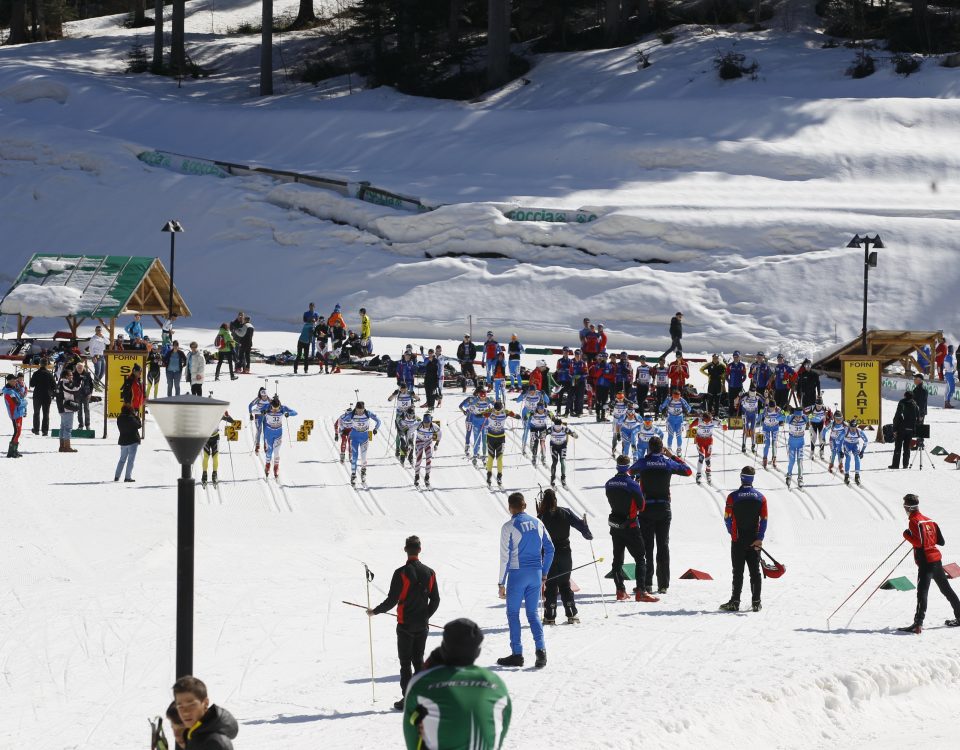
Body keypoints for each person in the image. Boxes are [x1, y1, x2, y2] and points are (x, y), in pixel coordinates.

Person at [403, 618, 511, 750]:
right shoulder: (495, 682)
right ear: (477, 651)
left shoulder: (422, 682)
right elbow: (503, 725)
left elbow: (411, 731)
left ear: (444, 646)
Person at [368, 535, 440, 710]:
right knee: (418, 661)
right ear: (419, 549)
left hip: (405, 625)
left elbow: (392, 600)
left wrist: (375, 611)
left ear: (406, 550)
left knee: (405, 663)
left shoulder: (400, 572)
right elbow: (436, 600)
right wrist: (425, 616)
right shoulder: (430, 572)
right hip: (422, 626)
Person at [497, 492, 554, 668]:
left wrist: (501, 583)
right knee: (533, 614)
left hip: (517, 574)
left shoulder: (509, 526)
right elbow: (550, 549)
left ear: (510, 507)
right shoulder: (538, 522)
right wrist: (544, 573)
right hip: (536, 574)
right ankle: (541, 652)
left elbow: (504, 557)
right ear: (525, 505)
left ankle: (517, 654)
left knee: (513, 614)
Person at [629, 435, 692, 594]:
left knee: (647, 547)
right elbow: (688, 471)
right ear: (662, 448)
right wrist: (671, 456)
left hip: (646, 509)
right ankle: (663, 584)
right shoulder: (667, 462)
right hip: (664, 508)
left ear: (649, 448)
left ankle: (647, 583)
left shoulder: (643, 462)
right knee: (663, 546)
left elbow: (629, 472)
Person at [898, 494, 960, 633]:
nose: (904, 509)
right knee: (947, 591)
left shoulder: (914, 521)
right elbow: (941, 541)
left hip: (926, 563)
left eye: (904, 506)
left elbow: (919, 543)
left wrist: (907, 535)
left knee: (922, 593)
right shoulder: (929, 520)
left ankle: (917, 624)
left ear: (908, 507)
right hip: (936, 561)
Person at [605, 455, 658, 602]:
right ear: (629, 467)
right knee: (641, 558)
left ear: (617, 466)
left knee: (617, 559)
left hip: (616, 525)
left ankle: (620, 590)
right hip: (631, 526)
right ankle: (641, 591)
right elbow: (641, 506)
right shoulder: (632, 484)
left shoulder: (609, 483)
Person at [537, 488, 592, 625]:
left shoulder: (541, 516)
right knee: (564, 583)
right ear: (555, 499)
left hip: (548, 555)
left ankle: (550, 616)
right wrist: (587, 534)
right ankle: (572, 614)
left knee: (550, 585)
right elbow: (580, 525)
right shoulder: (565, 511)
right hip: (565, 552)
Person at [720, 466, 767, 613]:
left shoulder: (732, 497)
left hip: (738, 539)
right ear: (752, 478)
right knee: (755, 572)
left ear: (741, 477)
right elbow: (764, 520)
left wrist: (732, 533)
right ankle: (756, 602)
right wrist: (759, 538)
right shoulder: (761, 497)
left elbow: (727, 518)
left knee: (738, 571)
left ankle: (735, 601)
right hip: (754, 541)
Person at [171, 676, 238, 750]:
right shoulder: (195, 734)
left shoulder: (213, 743)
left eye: (191, 705)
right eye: (180, 707)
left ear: (205, 703)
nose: (185, 712)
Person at [257, 396, 297, 479]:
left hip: (278, 434)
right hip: (268, 434)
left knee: (276, 451)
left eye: (277, 408)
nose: (275, 410)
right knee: (269, 451)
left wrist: (288, 414)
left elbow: (295, 412)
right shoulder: (267, 407)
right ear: (271, 405)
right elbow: (255, 410)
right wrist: (262, 411)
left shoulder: (282, 408)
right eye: (273, 408)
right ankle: (267, 465)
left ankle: (276, 467)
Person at [482, 400, 519, 489]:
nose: (497, 412)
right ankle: (489, 476)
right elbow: (481, 414)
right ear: (494, 408)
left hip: (500, 438)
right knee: (490, 457)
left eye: (499, 411)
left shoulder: (504, 412)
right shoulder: (491, 411)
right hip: (491, 437)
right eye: (496, 410)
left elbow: (514, 415)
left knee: (499, 458)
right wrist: (482, 414)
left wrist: (518, 416)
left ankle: (499, 477)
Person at [348, 401, 381, 486]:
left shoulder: (367, 413)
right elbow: (341, 420)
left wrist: (375, 429)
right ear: (355, 409)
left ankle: (363, 473)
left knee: (363, 458)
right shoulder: (352, 414)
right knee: (354, 458)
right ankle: (353, 475)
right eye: (358, 410)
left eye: (361, 410)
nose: (359, 412)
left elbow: (378, 421)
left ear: (364, 409)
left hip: (365, 438)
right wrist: (342, 430)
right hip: (354, 438)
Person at [201, 412, 234, 488]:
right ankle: (205, 475)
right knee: (208, 456)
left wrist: (227, 415)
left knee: (213, 456)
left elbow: (231, 421)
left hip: (214, 438)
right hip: (207, 437)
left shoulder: (217, 414)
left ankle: (213, 475)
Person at [891, 391, 919, 469]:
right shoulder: (915, 404)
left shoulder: (902, 402)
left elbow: (897, 416)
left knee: (898, 447)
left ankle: (895, 465)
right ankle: (905, 464)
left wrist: (894, 429)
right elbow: (918, 417)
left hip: (901, 428)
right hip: (910, 429)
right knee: (907, 448)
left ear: (904, 396)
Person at [412, 413, 441, 488]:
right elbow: (409, 431)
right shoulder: (418, 425)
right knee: (418, 460)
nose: (426, 425)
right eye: (425, 423)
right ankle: (417, 476)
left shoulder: (434, 426)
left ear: (430, 422)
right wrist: (409, 442)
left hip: (428, 442)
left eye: (428, 423)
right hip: (419, 441)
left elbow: (440, 434)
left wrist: (437, 444)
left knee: (429, 460)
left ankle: (427, 477)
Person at [56, 364, 80, 453]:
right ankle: (67, 446)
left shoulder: (60, 382)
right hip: (67, 408)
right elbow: (74, 389)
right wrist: (80, 384)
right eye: (70, 375)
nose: (72, 377)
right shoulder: (65, 383)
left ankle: (62, 446)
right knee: (68, 428)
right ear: (66, 376)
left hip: (62, 407)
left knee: (62, 427)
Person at [114, 403, 141, 482]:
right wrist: (136, 416)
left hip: (123, 440)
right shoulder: (131, 418)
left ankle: (117, 476)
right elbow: (139, 425)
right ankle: (127, 477)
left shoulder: (119, 418)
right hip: (132, 440)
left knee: (122, 460)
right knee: (130, 460)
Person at [29, 357, 56, 436]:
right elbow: (54, 386)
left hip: (37, 395)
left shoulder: (36, 373)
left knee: (36, 413)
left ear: (40, 364)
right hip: (47, 396)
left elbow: (32, 384)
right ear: (47, 364)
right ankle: (45, 431)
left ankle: (36, 430)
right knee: (46, 413)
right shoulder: (50, 374)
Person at [660, 388, 691, 454]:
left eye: (677, 397)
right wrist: (661, 409)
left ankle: (679, 449)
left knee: (679, 435)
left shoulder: (682, 400)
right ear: (672, 395)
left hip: (679, 420)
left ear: (680, 396)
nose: (676, 399)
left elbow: (688, 407)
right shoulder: (669, 399)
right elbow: (663, 405)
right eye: (674, 397)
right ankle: (669, 448)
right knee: (670, 435)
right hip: (671, 420)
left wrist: (687, 412)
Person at [783, 406, 808, 487]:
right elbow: (780, 418)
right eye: (797, 416)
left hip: (800, 443)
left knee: (800, 461)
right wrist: (784, 414)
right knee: (792, 461)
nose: (798, 418)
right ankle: (789, 476)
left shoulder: (804, 418)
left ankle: (800, 478)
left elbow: (814, 418)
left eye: (799, 416)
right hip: (792, 444)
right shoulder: (790, 418)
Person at [690, 411, 717, 484]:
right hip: (700, 440)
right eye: (706, 422)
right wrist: (690, 425)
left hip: (709, 441)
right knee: (701, 457)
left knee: (708, 460)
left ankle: (708, 472)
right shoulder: (699, 421)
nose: (707, 423)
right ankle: (698, 474)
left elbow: (723, 426)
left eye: (709, 421)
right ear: (703, 419)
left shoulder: (713, 421)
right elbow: (689, 425)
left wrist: (724, 426)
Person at [3, 374, 26, 458]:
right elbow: (18, 402)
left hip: (19, 412)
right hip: (15, 414)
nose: (15, 381)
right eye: (13, 380)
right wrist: (25, 403)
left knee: (18, 432)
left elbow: (22, 395)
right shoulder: (9, 391)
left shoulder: (14, 388)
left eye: (15, 380)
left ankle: (14, 450)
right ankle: (11, 452)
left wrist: (22, 387)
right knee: (16, 432)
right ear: (8, 381)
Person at [841, 418, 868, 486]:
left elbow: (866, 440)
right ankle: (846, 475)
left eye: (854, 428)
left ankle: (857, 475)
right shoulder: (845, 431)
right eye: (851, 428)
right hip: (847, 444)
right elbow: (839, 440)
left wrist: (862, 451)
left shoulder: (859, 431)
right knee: (848, 457)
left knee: (857, 457)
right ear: (849, 426)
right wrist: (840, 451)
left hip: (855, 445)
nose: (853, 429)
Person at [759, 398, 783, 469]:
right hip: (766, 428)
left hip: (775, 427)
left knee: (774, 443)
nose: (772, 409)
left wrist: (784, 414)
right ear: (768, 406)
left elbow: (784, 416)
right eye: (771, 408)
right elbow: (759, 418)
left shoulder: (778, 410)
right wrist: (760, 415)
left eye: (773, 408)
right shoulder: (765, 410)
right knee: (767, 443)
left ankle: (774, 458)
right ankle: (765, 459)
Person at [736, 383, 761, 453]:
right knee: (746, 430)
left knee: (753, 430)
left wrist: (767, 397)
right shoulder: (745, 395)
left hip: (753, 414)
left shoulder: (758, 395)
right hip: (746, 414)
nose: (752, 395)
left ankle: (753, 445)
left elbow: (765, 401)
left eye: (754, 393)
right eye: (751, 393)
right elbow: (736, 402)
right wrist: (739, 396)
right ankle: (743, 445)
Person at [944, 344, 955, 408]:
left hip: (947, 373)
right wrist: (953, 370)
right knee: (952, 389)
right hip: (950, 374)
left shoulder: (946, 356)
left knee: (949, 389)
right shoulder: (950, 357)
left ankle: (947, 402)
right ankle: (947, 403)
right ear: (952, 350)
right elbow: (951, 366)